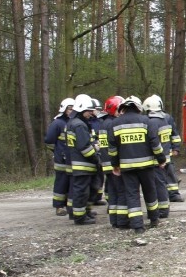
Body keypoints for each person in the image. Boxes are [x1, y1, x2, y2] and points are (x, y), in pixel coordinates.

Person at [110, 96, 166, 234]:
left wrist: (115, 165)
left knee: (132, 194)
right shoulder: (147, 121)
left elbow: (112, 149)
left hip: (127, 168)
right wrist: (161, 159)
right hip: (147, 166)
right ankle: (154, 219)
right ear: (138, 108)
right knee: (150, 191)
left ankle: (137, 226)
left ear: (123, 108)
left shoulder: (115, 124)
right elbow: (155, 144)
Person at [66, 96, 100, 225]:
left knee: (86, 191)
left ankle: (85, 212)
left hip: (79, 163)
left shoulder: (73, 123)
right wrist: (96, 158)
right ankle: (80, 217)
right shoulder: (79, 125)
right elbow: (84, 148)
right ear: (81, 109)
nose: (90, 114)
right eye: (88, 111)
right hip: (83, 165)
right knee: (81, 192)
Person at [99, 96, 129, 228]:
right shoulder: (113, 124)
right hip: (114, 164)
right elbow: (116, 146)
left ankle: (114, 220)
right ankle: (122, 221)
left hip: (106, 163)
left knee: (112, 192)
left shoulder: (104, 123)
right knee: (121, 191)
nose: (122, 112)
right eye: (120, 109)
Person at [143, 95, 172, 218]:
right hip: (165, 157)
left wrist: (158, 157)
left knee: (158, 185)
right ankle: (164, 208)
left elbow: (154, 141)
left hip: (157, 159)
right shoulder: (164, 119)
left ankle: (163, 210)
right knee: (162, 183)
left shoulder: (152, 122)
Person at [44, 97, 73, 216]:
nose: (71, 111)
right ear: (64, 109)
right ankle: (58, 206)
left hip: (72, 159)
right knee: (61, 182)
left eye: (73, 109)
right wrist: (57, 151)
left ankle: (69, 205)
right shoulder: (57, 123)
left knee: (71, 183)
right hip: (61, 159)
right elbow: (49, 141)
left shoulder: (72, 122)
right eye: (70, 109)